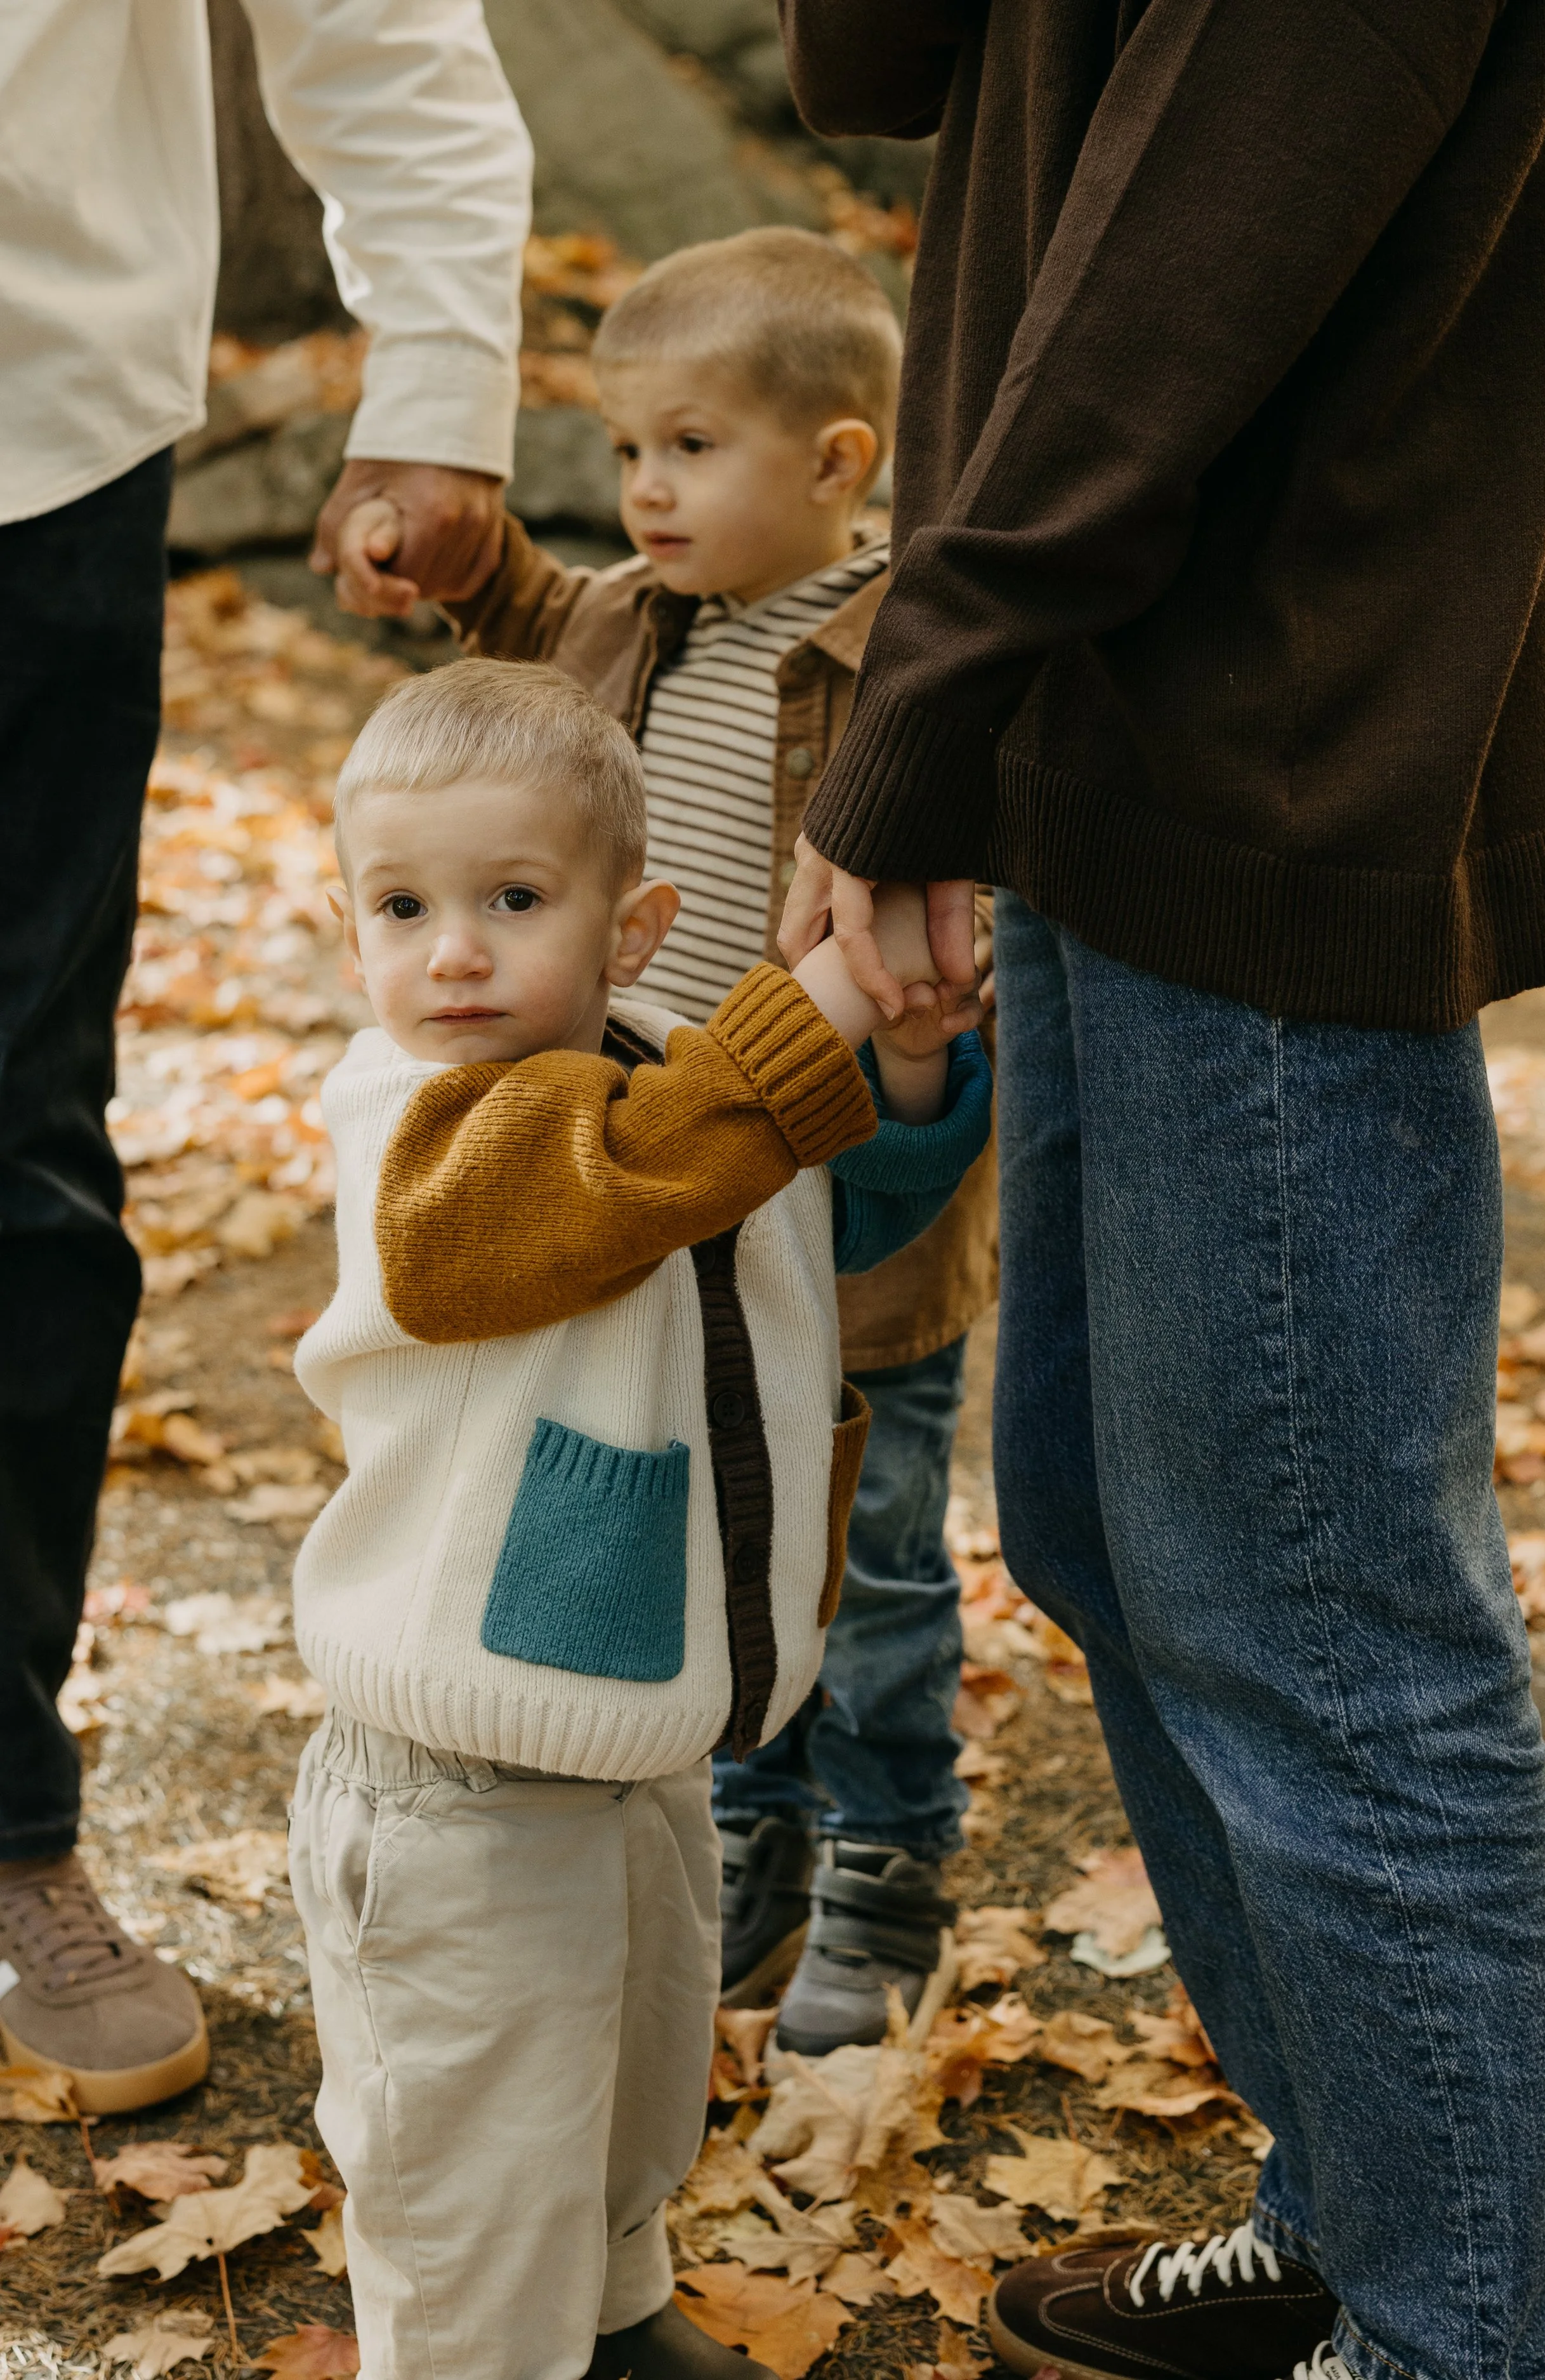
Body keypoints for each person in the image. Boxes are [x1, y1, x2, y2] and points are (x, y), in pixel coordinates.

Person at [775, 4, 1545, 2379]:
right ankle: (1376, 2216)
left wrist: (917, 715)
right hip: (1109, 718)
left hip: (1269, 733)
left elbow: (1173, 278)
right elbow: (881, 61)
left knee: (1322, 1612)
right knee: (1118, 1527)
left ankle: (1473, 2331)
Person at [330, 225, 999, 2054]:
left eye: (690, 448)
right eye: (627, 448)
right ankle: (753, 1826)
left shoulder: (905, 664)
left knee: (865, 1545)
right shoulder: (624, 610)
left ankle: (881, 1855)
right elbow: (521, 635)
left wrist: (917, 1048)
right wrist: (453, 540)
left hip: (844, 1183)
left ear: (839, 464)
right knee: (713, 1516)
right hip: (649, 1190)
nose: (643, 485)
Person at [284, 658, 990, 2380]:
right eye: (404, 904)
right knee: (477, 2143)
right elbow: (585, 1184)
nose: (452, 949)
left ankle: (609, 2313)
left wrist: (894, 1062)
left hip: (645, 1712)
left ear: (631, 925)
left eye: (511, 900)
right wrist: (803, 1014)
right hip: (455, 1759)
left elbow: (840, 1175)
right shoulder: (414, 1127)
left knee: (626, 2069)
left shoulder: (678, 1073)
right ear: (350, 924)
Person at [0, 0, 529, 2113]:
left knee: (12, 1150)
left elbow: (377, 18)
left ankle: (6, 1824)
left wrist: (438, 379)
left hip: (30, 443)